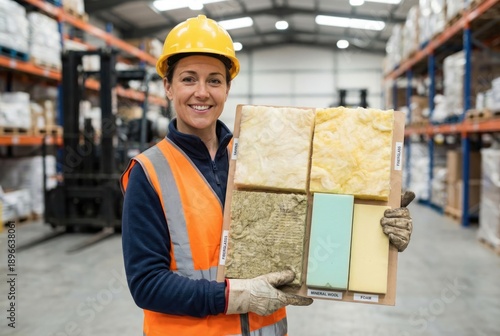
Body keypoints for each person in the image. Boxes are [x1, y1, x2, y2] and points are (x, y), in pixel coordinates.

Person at [120, 14, 414, 336]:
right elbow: (146, 284)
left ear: (228, 88)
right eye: (189, 79)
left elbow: (307, 235)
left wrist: (375, 229)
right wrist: (236, 296)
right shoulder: (149, 172)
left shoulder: (259, 153)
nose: (202, 92)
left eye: (214, 80)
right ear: (168, 86)